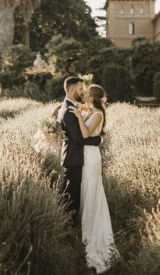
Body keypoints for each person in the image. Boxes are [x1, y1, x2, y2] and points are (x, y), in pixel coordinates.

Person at [69, 84, 119, 274]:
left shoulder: (97, 113)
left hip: (91, 157)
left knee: (91, 190)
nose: (84, 94)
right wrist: (81, 113)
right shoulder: (92, 110)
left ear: (93, 97)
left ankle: (93, 231)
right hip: (87, 154)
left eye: (87, 93)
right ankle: (86, 226)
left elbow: (85, 133)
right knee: (87, 189)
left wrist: (77, 117)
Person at [58, 76, 102, 227]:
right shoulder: (68, 111)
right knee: (71, 194)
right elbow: (78, 138)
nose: (83, 92)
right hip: (73, 157)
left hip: (77, 157)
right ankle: (68, 225)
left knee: (75, 193)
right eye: (80, 89)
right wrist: (97, 140)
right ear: (71, 90)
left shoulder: (71, 106)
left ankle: (74, 223)